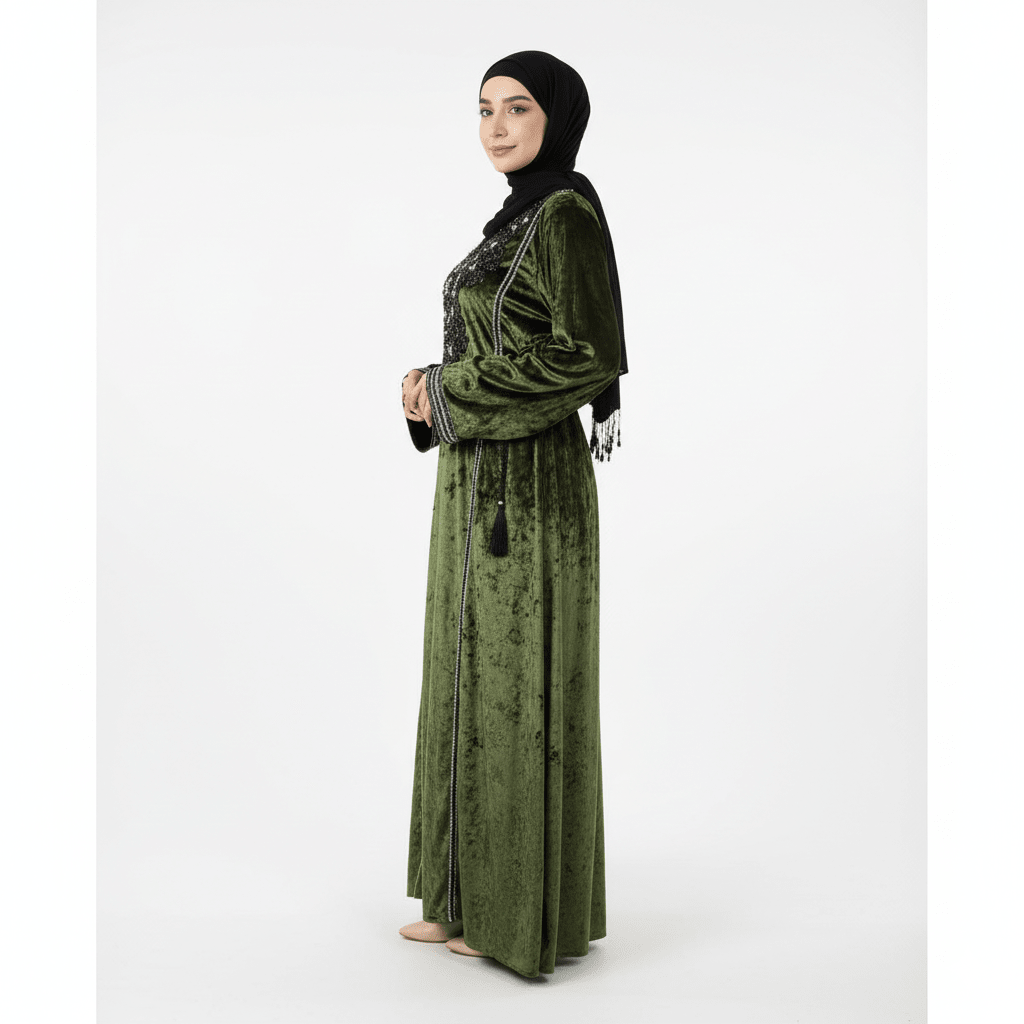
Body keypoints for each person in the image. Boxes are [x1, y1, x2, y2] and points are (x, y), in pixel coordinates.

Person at [398, 49, 629, 979]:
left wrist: (452, 387)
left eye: (518, 108)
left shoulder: (565, 213)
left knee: (513, 687)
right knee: (465, 675)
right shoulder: (513, 220)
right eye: (485, 108)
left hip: (528, 495)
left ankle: (512, 913)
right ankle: (460, 895)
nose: (496, 126)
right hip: (473, 481)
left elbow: (586, 354)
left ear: (557, 117)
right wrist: (429, 392)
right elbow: (503, 340)